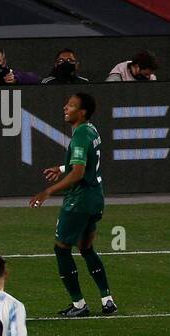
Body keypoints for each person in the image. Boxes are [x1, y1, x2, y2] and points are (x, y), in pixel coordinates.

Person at [28, 92, 116, 317]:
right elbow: (85, 164)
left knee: (61, 248)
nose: (65, 108)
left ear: (82, 112)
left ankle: (79, 305)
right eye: (66, 104)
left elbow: (77, 174)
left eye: (71, 105)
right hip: (96, 197)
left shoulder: (79, 137)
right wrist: (61, 167)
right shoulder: (91, 130)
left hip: (79, 201)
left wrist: (47, 192)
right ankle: (107, 299)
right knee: (86, 248)